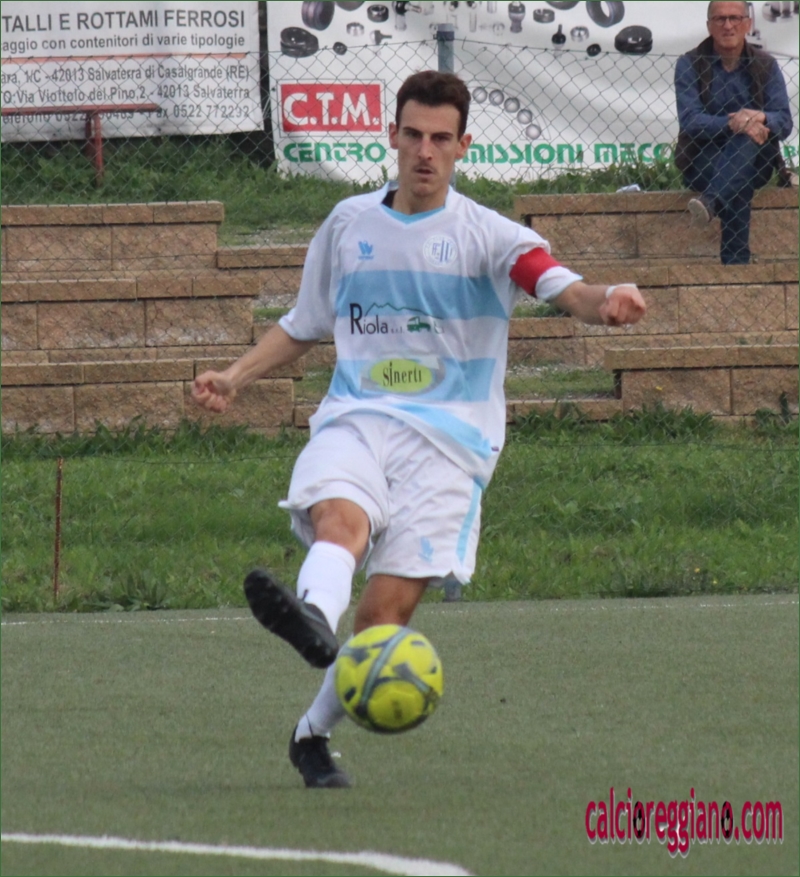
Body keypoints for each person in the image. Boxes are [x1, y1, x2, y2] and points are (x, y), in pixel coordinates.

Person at [192, 71, 646, 789]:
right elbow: (305, 322)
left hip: (451, 446)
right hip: (357, 418)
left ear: (464, 146)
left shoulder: (492, 235)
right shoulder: (347, 224)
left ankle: (311, 735)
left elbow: (562, 285)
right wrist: (234, 376)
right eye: (413, 135)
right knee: (342, 522)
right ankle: (312, 616)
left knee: (381, 621)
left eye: (440, 138)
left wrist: (608, 298)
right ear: (392, 137)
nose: (425, 151)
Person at [674, 0, 794, 265]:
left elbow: (784, 121)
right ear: (709, 26)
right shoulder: (690, 64)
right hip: (703, 160)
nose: (728, 25)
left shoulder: (766, 65)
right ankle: (736, 265)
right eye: (720, 19)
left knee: (746, 140)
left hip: (757, 160)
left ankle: (712, 201)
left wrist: (759, 117)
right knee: (739, 176)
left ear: (747, 24)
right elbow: (690, 121)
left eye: (735, 18)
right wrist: (733, 124)